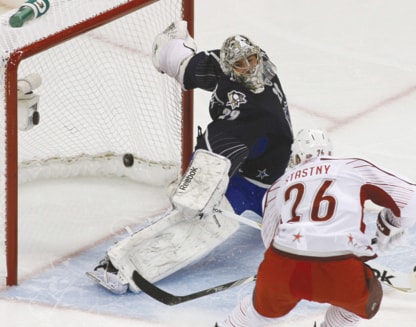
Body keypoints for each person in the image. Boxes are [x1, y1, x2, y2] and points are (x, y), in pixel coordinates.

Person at [86, 21, 293, 294]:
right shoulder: (245, 114)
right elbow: (218, 148)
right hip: (246, 184)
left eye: (252, 58)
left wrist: (176, 56)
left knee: (305, 218)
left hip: (278, 174)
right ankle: (121, 267)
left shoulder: (236, 73)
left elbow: (204, 68)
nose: (251, 67)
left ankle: (174, 51)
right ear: (231, 69)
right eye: (241, 64)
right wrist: (200, 192)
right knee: (200, 229)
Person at [216, 129, 416, 327]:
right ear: (329, 152)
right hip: (341, 267)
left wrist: (274, 274)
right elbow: (410, 196)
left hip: (284, 265)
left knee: (257, 311)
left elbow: (270, 239)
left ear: (296, 157)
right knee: (365, 299)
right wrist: (392, 223)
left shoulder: (279, 185)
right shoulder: (351, 167)